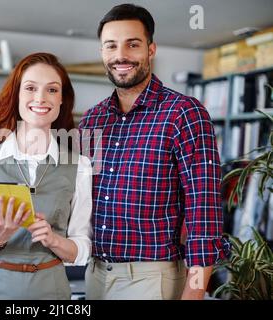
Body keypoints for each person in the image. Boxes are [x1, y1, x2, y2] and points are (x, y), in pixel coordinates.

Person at [79, 4, 230, 300]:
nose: (120, 55)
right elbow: (79, 197)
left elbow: (205, 213)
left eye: (132, 44)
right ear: (102, 53)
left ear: (151, 49)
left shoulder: (184, 113)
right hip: (95, 275)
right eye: (111, 46)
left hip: (152, 279)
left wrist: (195, 292)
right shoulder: (91, 119)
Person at [0, 52, 93, 299]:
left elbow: (82, 247)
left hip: (51, 290)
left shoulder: (81, 166)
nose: (41, 98)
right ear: (17, 95)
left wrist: (54, 240)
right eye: (30, 88)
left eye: (52, 90)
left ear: (62, 99)